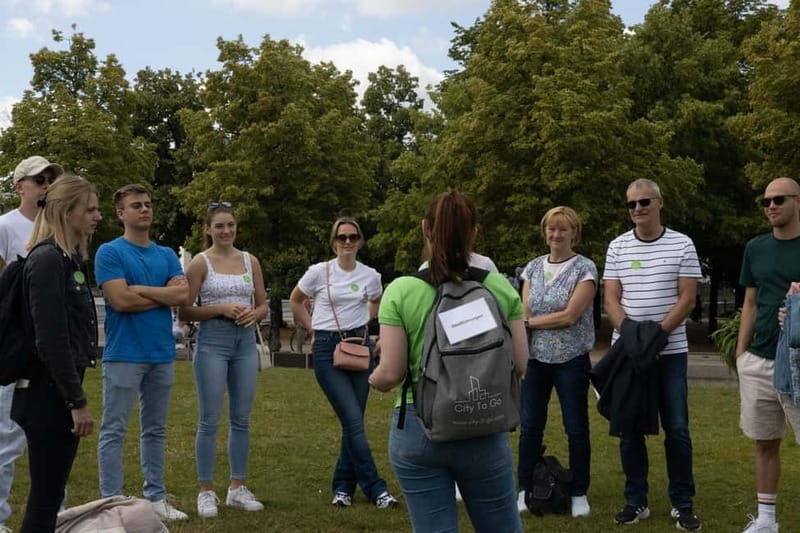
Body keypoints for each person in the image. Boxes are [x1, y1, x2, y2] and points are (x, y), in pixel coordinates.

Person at [369, 191, 528, 533]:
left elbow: (391, 373)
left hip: (419, 425)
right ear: (474, 233)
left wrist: (374, 379)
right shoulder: (499, 287)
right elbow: (520, 363)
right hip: (484, 421)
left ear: (425, 229)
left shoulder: (401, 291)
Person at [603, 178, 702, 530]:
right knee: (629, 428)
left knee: (677, 427)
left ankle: (682, 502)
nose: (638, 209)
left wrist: (656, 337)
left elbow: (687, 298)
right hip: (628, 353)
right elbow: (611, 298)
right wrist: (634, 337)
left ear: (659, 203)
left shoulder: (682, 244)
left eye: (644, 202)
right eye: (631, 204)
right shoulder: (617, 247)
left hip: (671, 352)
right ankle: (635, 500)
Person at [94, 184, 190, 521]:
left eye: (148, 204)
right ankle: (112, 502)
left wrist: (142, 290)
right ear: (121, 213)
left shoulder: (165, 254)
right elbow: (120, 301)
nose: (145, 210)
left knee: (155, 429)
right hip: (124, 353)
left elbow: (183, 296)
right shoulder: (109, 252)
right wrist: (163, 293)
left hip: (162, 353)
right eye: (136, 205)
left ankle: (156, 498)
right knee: (114, 429)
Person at [11, 175, 99, 531]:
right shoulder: (48, 261)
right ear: (66, 212)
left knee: (49, 495)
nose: (97, 216)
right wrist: (75, 402)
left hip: (55, 393)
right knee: (45, 499)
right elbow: (51, 340)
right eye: (89, 209)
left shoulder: (67, 260)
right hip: (47, 395)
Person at [289, 217, 397, 509]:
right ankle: (376, 488)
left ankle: (343, 488)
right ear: (333, 241)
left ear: (360, 241)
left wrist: (366, 325)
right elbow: (296, 300)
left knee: (354, 423)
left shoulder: (371, 276)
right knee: (352, 419)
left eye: (352, 237)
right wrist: (313, 328)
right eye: (341, 237)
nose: (347, 242)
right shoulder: (318, 273)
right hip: (327, 348)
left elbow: (376, 304)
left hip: (359, 348)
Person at [178, 202, 267, 518]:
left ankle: (237, 487)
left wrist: (254, 313)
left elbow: (262, 304)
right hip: (212, 342)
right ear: (208, 229)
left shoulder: (250, 260)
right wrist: (220, 309)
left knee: (241, 417)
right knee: (210, 418)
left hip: (243, 343)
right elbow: (184, 310)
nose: (226, 231)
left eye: (230, 225)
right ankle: (206, 491)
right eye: (219, 226)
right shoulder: (200, 264)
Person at [517, 206, 596, 517]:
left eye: (563, 229)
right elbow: (524, 309)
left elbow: (570, 316)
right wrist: (527, 323)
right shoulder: (532, 268)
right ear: (544, 232)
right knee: (530, 428)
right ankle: (524, 488)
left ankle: (579, 492)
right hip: (536, 360)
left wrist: (531, 325)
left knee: (576, 428)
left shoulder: (584, 268)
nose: (556, 235)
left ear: (574, 233)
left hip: (571, 359)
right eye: (551, 229)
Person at [0, 155, 63, 533]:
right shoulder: (5, 225)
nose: (45, 185)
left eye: (51, 180)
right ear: (20, 185)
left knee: (54, 432)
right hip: (16, 344)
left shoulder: (57, 226)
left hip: (50, 346)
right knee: (7, 436)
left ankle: (55, 510)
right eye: (39, 179)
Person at [735, 177, 800, 533]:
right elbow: (750, 302)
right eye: (766, 201)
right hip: (759, 359)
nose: (771, 206)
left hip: (799, 362)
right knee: (765, 442)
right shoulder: (755, 248)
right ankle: (766, 521)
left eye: (779, 199)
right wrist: (742, 353)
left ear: (797, 202)